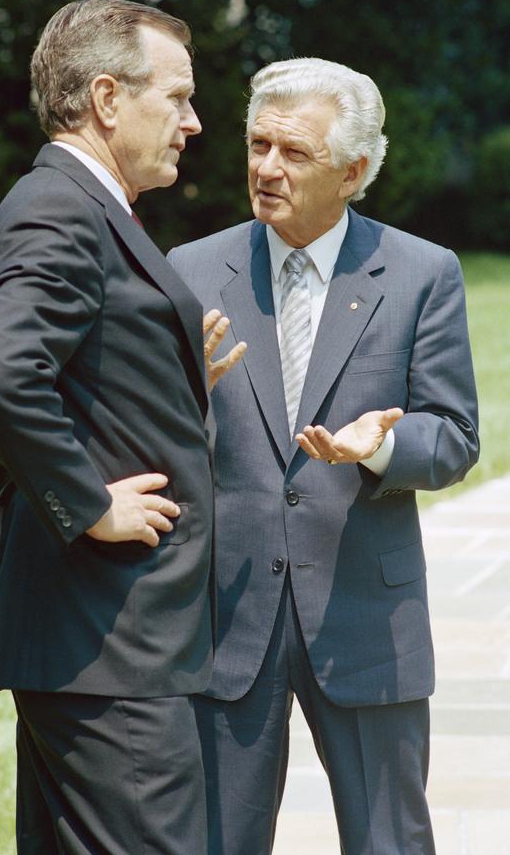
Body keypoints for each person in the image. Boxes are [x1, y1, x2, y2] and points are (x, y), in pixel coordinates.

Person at [168, 57, 479, 855]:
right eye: (258, 144)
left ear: (354, 171)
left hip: (367, 620)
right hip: (228, 617)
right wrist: (184, 396)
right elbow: (155, 438)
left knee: (390, 842)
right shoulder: (190, 273)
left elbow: (453, 435)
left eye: (294, 153)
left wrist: (379, 450)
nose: (267, 168)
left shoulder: (421, 274)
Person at [0, 0, 243, 854]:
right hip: (108, 642)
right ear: (108, 98)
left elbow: (76, 359)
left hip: (96, 644)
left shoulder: (84, 205)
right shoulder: (60, 208)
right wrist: (89, 504)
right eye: (179, 98)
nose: (194, 123)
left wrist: (172, 360)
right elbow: (5, 378)